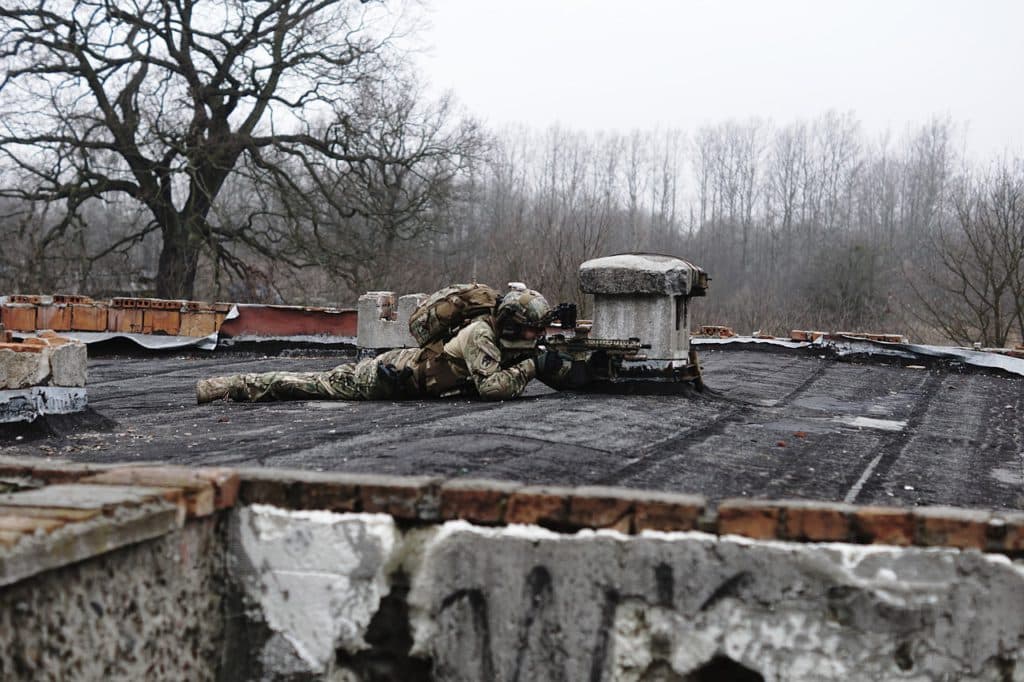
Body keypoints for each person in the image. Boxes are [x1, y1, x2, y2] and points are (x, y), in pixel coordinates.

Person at [195, 287, 568, 403]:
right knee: (309, 384)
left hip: (405, 372)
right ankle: (228, 386)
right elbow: (490, 388)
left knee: (313, 382)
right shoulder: (482, 335)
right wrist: (535, 365)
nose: (537, 337)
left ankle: (233, 385)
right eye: (533, 331)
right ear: (514, 326)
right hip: (387, 376)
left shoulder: (498, 333)